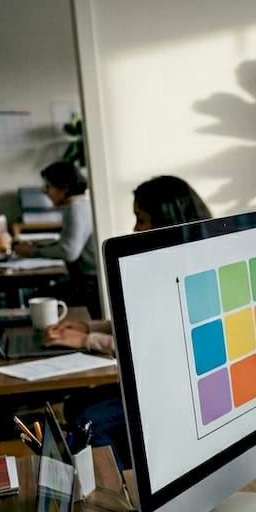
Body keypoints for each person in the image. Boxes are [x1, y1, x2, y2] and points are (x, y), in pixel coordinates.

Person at [44, 175, 211, 470]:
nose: (135, 229)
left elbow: (150, 346)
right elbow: (139, 323)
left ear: (167, 221)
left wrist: (87, 341)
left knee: (87, 419)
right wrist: (89, 328)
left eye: (142, 219)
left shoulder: (193, 273)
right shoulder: (166, 262)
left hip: (180, 392)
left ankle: (124, 490)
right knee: (75, 405)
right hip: (157, 382)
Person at [16, 161, 100, 316]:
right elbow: (67, 242)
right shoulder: (78, 205)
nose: (45, 192)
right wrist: (37, 245)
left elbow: (69, 252)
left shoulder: (76, 209)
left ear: (64, 188)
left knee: (34, 300)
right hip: (85, 280)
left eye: (48, 187)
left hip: (89, 284)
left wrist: (33, 252)